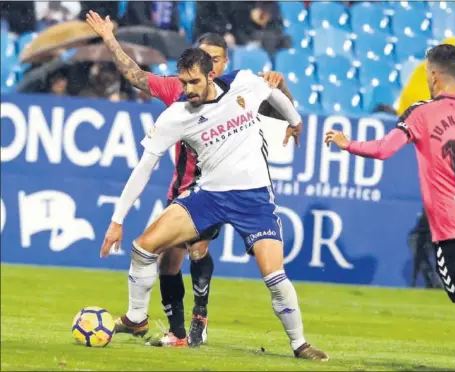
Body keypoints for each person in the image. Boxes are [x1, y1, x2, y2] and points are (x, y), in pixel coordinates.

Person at [98, 47, 329, 360]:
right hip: (209, 197)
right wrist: (117, 219)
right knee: (143, 247)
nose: (188, 89)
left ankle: (300, 344)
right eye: (183, 82)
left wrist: (294, 120)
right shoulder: (176, 116)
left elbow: (272, 93)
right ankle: (137, 318)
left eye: (194, 81)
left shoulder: (243, 83)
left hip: (254, 199)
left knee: (274, 277)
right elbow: (144, 167)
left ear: (211, 75)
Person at [325, 44, 455, 342]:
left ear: (433, 75)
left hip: (453, 224)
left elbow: (384, 150)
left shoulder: (421, 113)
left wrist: (348, 144)